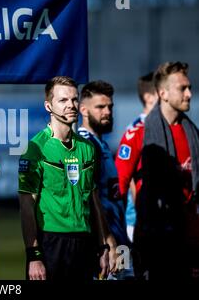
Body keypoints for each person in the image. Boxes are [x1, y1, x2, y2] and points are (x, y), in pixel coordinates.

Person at [18, 76, 117, 281]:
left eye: (73, 99)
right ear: (48, 106)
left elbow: (93, 199)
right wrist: (34, 256)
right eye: (63, 100)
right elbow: (27, 207)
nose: (70, 105)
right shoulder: (35, 149)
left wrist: (103, 245)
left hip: (85, 243)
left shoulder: (88, 148)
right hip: (51, 244)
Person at [116, 62, 199, 280]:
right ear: (162, 93)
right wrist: (114, 238)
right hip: (154, 241)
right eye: (183, 88)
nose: (189, 94)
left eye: (189, 87)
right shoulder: (138, 135)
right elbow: (119, 187)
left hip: (190, 243)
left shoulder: (193, 134)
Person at [78, 80, 133, 279]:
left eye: (110, 106)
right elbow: (91, 199)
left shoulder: (101, 144)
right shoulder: (86, 145)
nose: (107, 111)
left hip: (119, 239)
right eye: (100, 107)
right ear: (83, 110)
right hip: (107, 245)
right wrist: (108, 243)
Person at [116, 72, 158, 244]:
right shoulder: (137, 130)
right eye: (161, 92)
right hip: (137, 221)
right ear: (149, 97)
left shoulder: (158, 126)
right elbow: (127, 178)